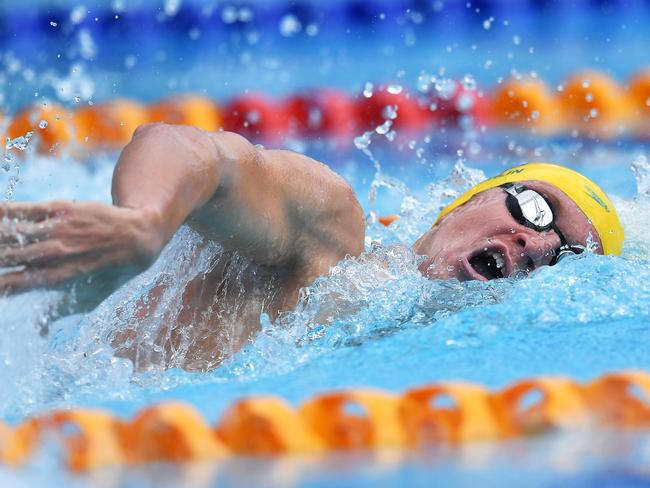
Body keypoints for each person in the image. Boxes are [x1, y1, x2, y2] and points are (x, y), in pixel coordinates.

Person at [0, 123, 624, 369]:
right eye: (536, 208)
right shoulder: (327, 236)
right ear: (468, 199)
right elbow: (193, 151)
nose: (534, 240)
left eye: (562, 253)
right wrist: (144, 222)